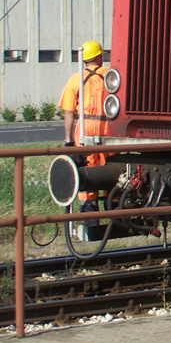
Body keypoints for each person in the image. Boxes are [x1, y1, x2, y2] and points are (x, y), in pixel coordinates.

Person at [59, 40, 109, 219]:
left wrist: (68, 141)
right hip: (107, 129)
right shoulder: (110, 75)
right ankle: (118, 213)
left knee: (87, 171)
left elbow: (69, 113)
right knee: (112, 170)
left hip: (84, 130)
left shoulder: (75, 79)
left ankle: (89, 218)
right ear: (98, 56)